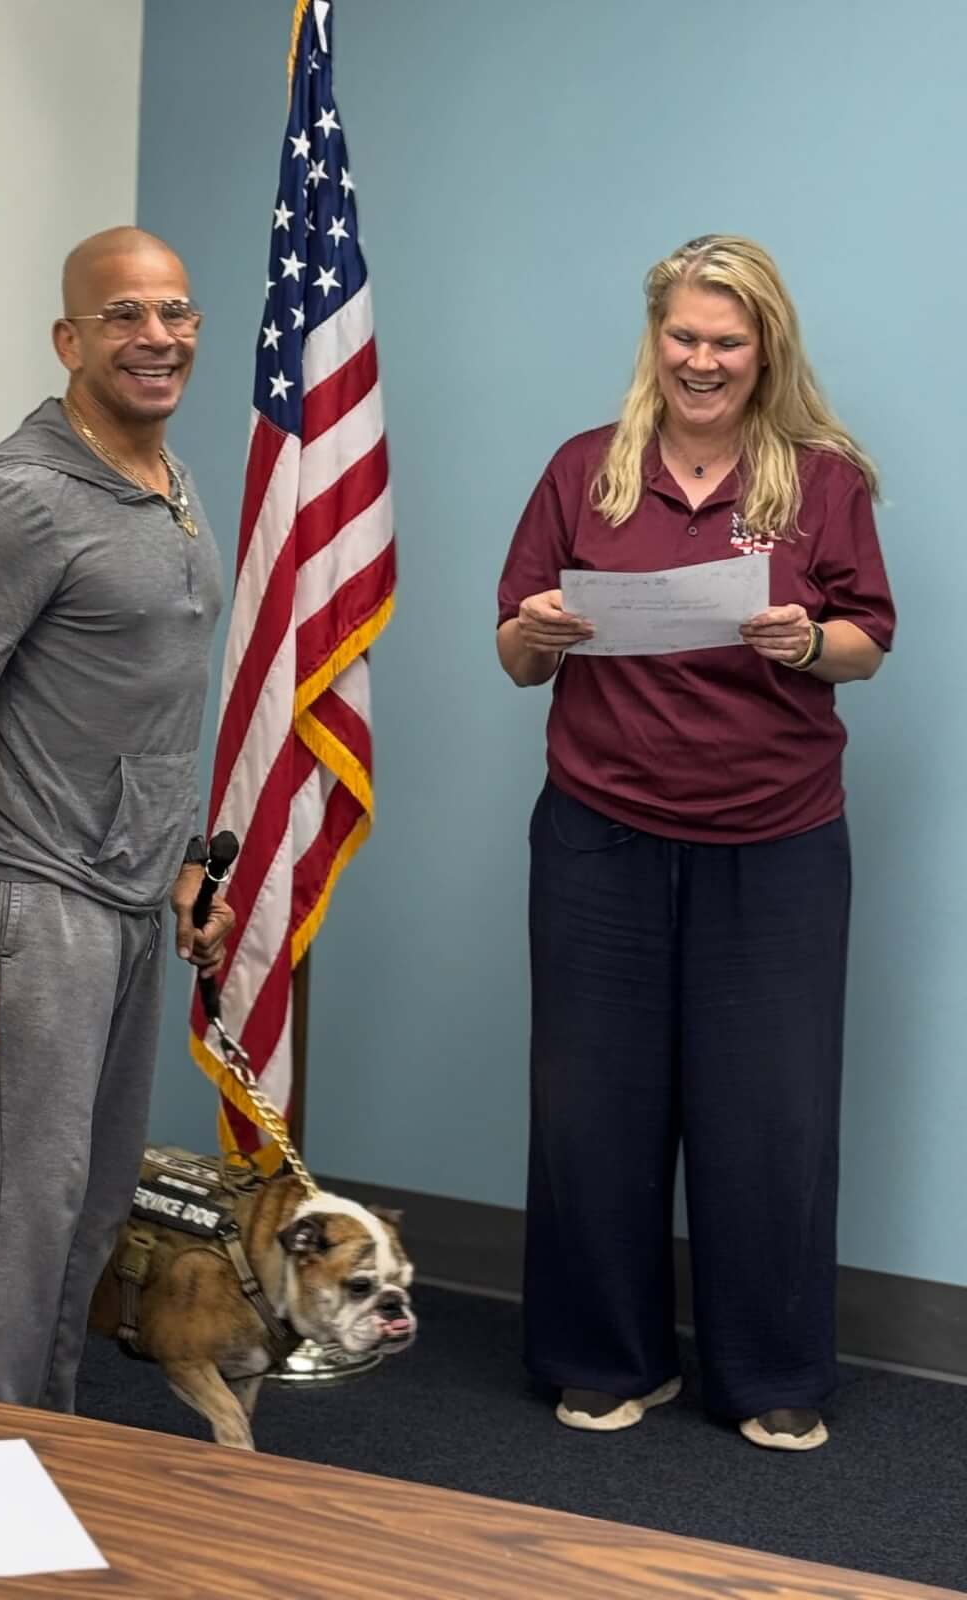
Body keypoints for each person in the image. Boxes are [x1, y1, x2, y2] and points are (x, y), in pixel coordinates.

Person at [496, 234, 895, 1452]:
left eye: (727, 340)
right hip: (598, 839)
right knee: (592, 1109)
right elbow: (513, 656)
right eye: (684, 336)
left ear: (764, 348)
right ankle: (605, 1355)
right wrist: (541, 632)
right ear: (653, 338)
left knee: (767, 1111)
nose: (703, 360)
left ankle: (770, 1367)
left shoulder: (823, 483)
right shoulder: (586, 470)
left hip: (774, 844)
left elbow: (868, 642)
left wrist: (804, 643)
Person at [0, 226, 233, 1411]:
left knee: (87, 1209)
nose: (158, 336)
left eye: (176, 312)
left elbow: (148, 706)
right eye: (126, 315)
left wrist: (186, 862)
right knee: (17, 1216)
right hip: (33, 901)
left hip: (136, 898)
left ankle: (50, 1451)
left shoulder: (166, 479)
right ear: (69, 339)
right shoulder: (21, 496)